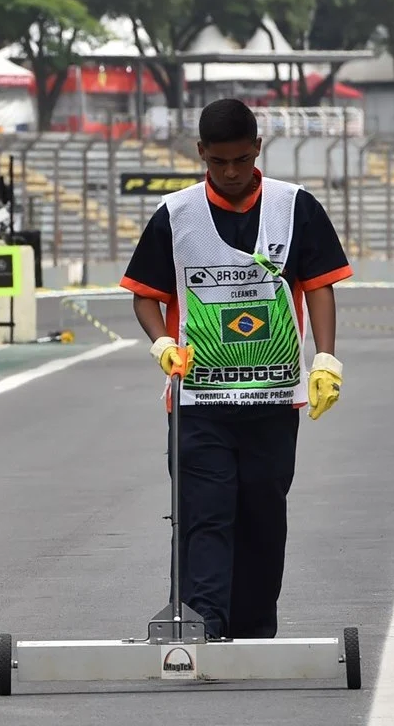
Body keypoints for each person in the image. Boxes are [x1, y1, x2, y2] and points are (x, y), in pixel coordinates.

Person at [120, 98, 350, 640]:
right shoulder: (176, 216)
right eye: (219, 161)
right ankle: (203, 626)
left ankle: (252, 631)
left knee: (263, 516)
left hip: (272, 402)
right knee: (205, 513)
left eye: (241, 160)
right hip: (199, 403)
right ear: (201, 152)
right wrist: (163, 344)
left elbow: (319, 286)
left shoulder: (295, 208)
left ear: (258, 150)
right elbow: (145, 297)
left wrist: (325, 357)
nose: (230, 172)